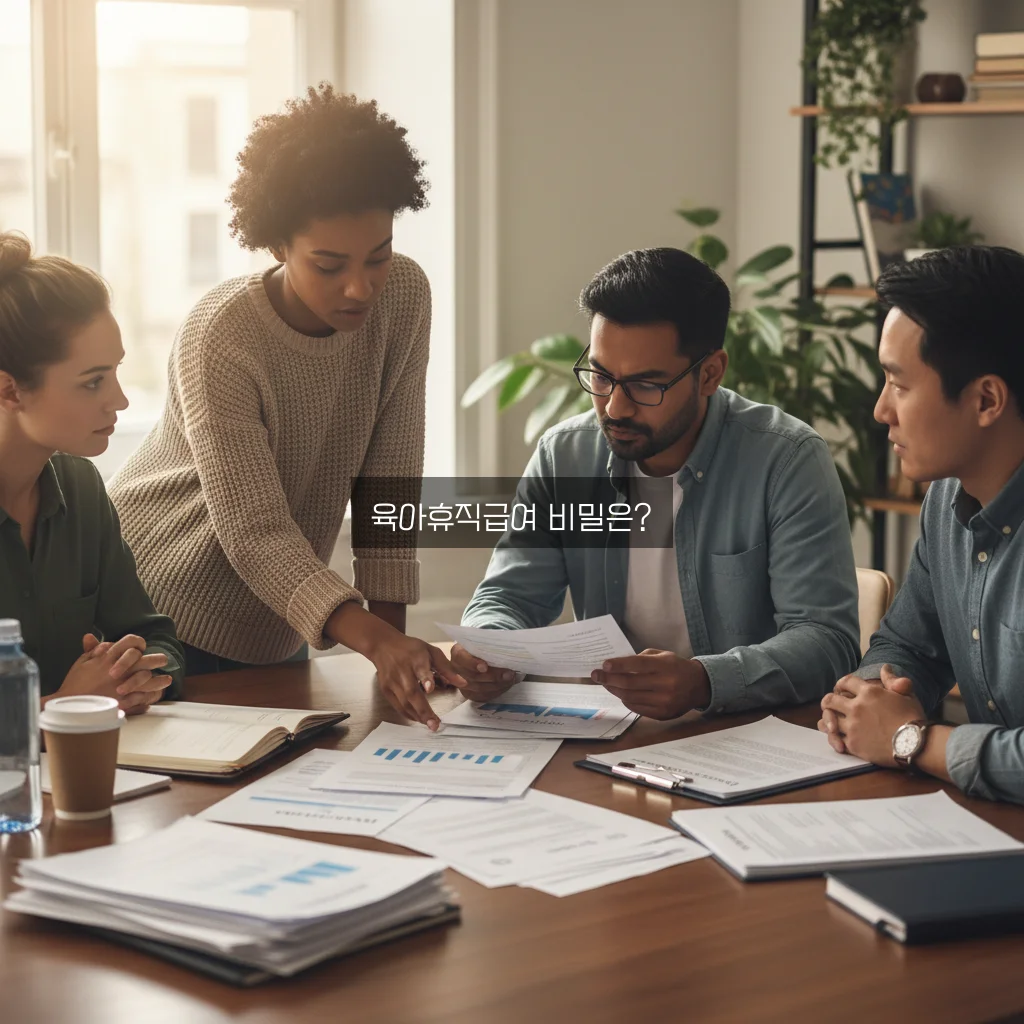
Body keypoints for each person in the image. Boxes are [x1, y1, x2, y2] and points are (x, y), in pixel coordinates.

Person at [109, 85, 464, 729]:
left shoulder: (405, 296)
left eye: (377, 256)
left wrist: (396, 658)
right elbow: (254, 530)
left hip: (279, 619)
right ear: (277, 244)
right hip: (158, 610)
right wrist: (375, 641)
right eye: (328, 265)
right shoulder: (221, 334)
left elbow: (391, 480)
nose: (360, 287)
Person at [456, 247, 860, 717]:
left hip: (743, 737)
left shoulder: (786, 460)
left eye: (647, 386)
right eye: (602, 377)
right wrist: (487, 646)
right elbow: (509, 595)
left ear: (709, 374)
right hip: (608, 734)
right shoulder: (563, 454)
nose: (614, 407)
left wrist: (705, 682)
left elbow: (826, 642)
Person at [819, 245, 1024, 805]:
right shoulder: (947, 500)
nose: (881, 410)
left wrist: (913, 740)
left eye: (899, 384)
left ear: (986, 399)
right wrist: (870, 700)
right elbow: (908, 643)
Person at [0, 232, 183, 710]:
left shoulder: (81, 487)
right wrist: (64, 705)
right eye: (93, 381)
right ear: (10, 391)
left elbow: (156, 639)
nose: (119, 399)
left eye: (116, 371)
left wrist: (133, 673)